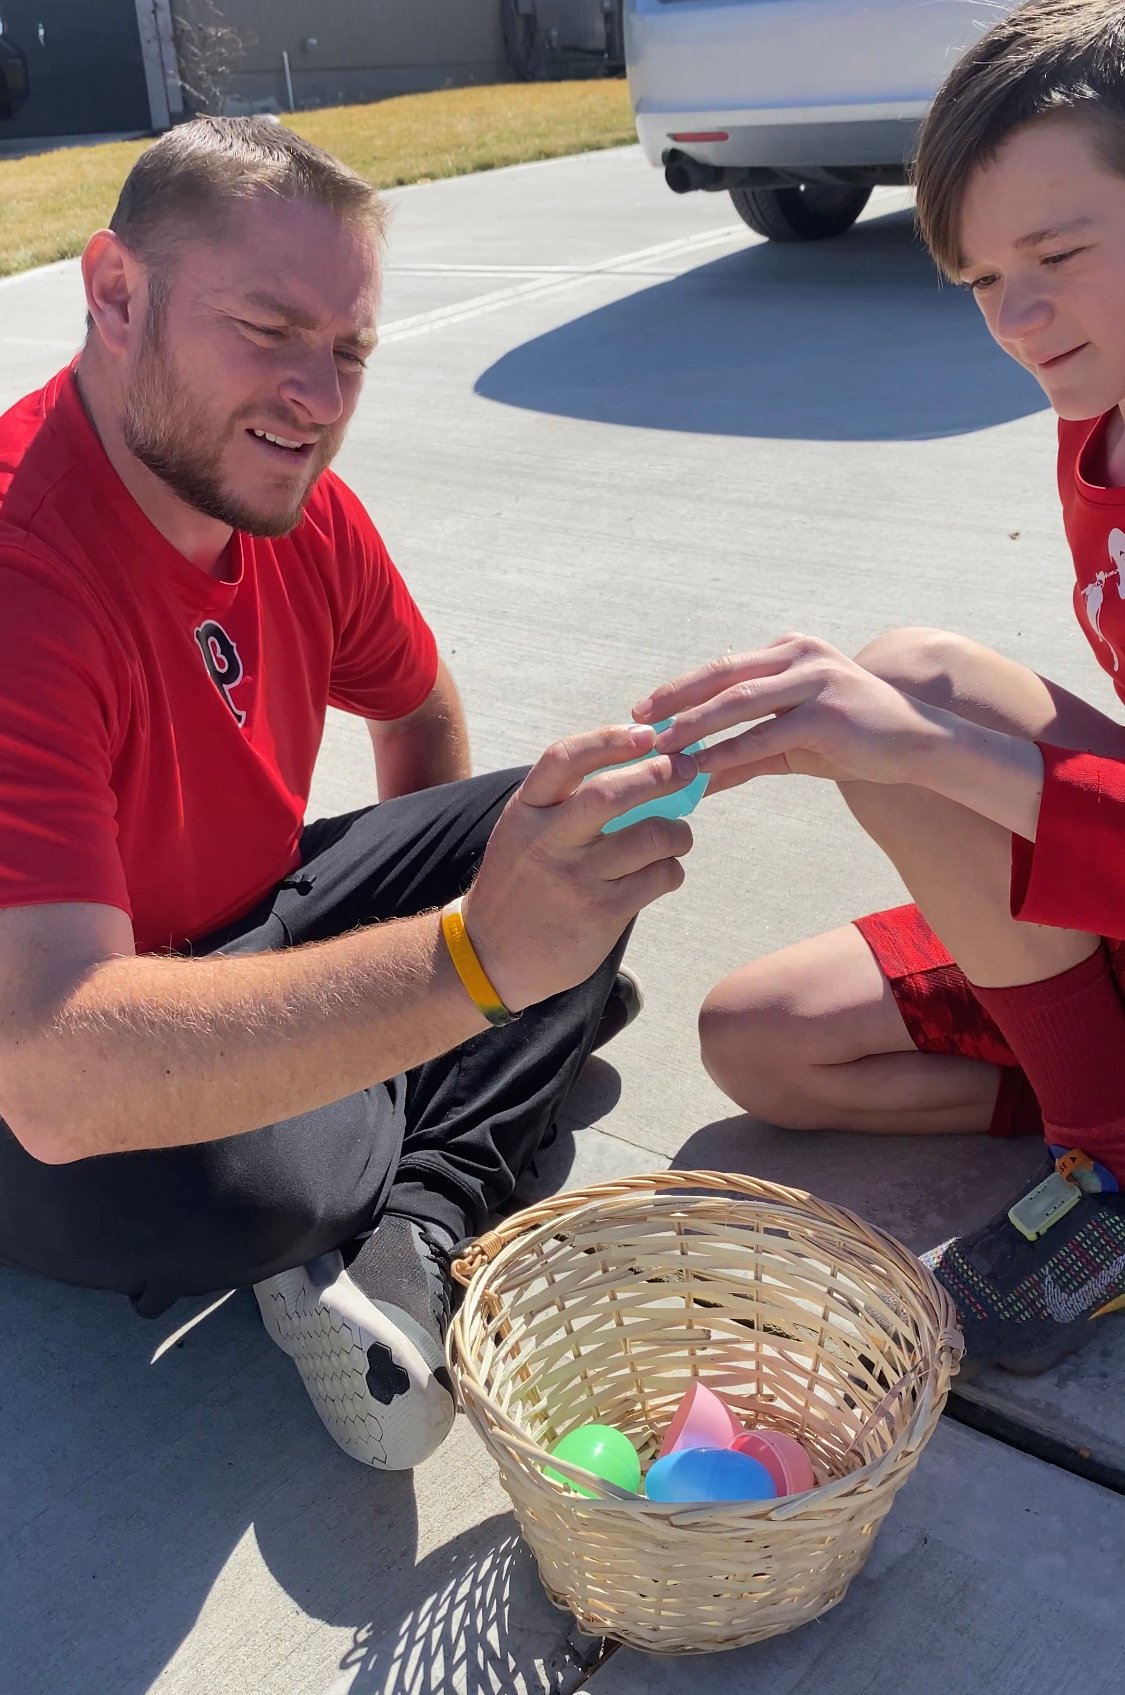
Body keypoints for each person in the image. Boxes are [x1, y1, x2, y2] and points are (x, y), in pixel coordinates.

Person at [0, 117, 697, 1470]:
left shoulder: (291, 497)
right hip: (34, 1070)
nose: (317, 394)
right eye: (268, 328)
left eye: (351, 349)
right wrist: (465, 971)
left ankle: (409, 1233)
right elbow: (54, 1074)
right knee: (259, 1187)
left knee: (580, 829)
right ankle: (452, 1119)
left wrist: (453, 948)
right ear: (115, 294)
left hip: (242, 922)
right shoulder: (25, 573)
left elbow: (416, 701)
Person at [640, 0, 1125, 1375]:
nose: (1014, 316)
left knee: (909, 700)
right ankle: (1101, 1103)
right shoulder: (1097, 414)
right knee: (763, 1044)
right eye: (979, 277)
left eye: (1055, 253)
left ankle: (1109, 1163)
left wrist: (912, 747)